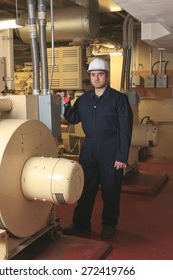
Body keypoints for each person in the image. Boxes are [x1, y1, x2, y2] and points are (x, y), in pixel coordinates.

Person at [59, 57, 133, 239]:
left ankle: (108, 225)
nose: (97, 78)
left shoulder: (119, 99)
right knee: (85, 189)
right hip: (89, 149)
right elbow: (73, 118)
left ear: (106, 76)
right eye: (93, 75)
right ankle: (81, 225)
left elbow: (125, 129)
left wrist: (121, 156)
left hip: (111, 150)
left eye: (100, 74)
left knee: (110, 190)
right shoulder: (84, 99)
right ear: (90, 77)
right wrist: (66, 102)